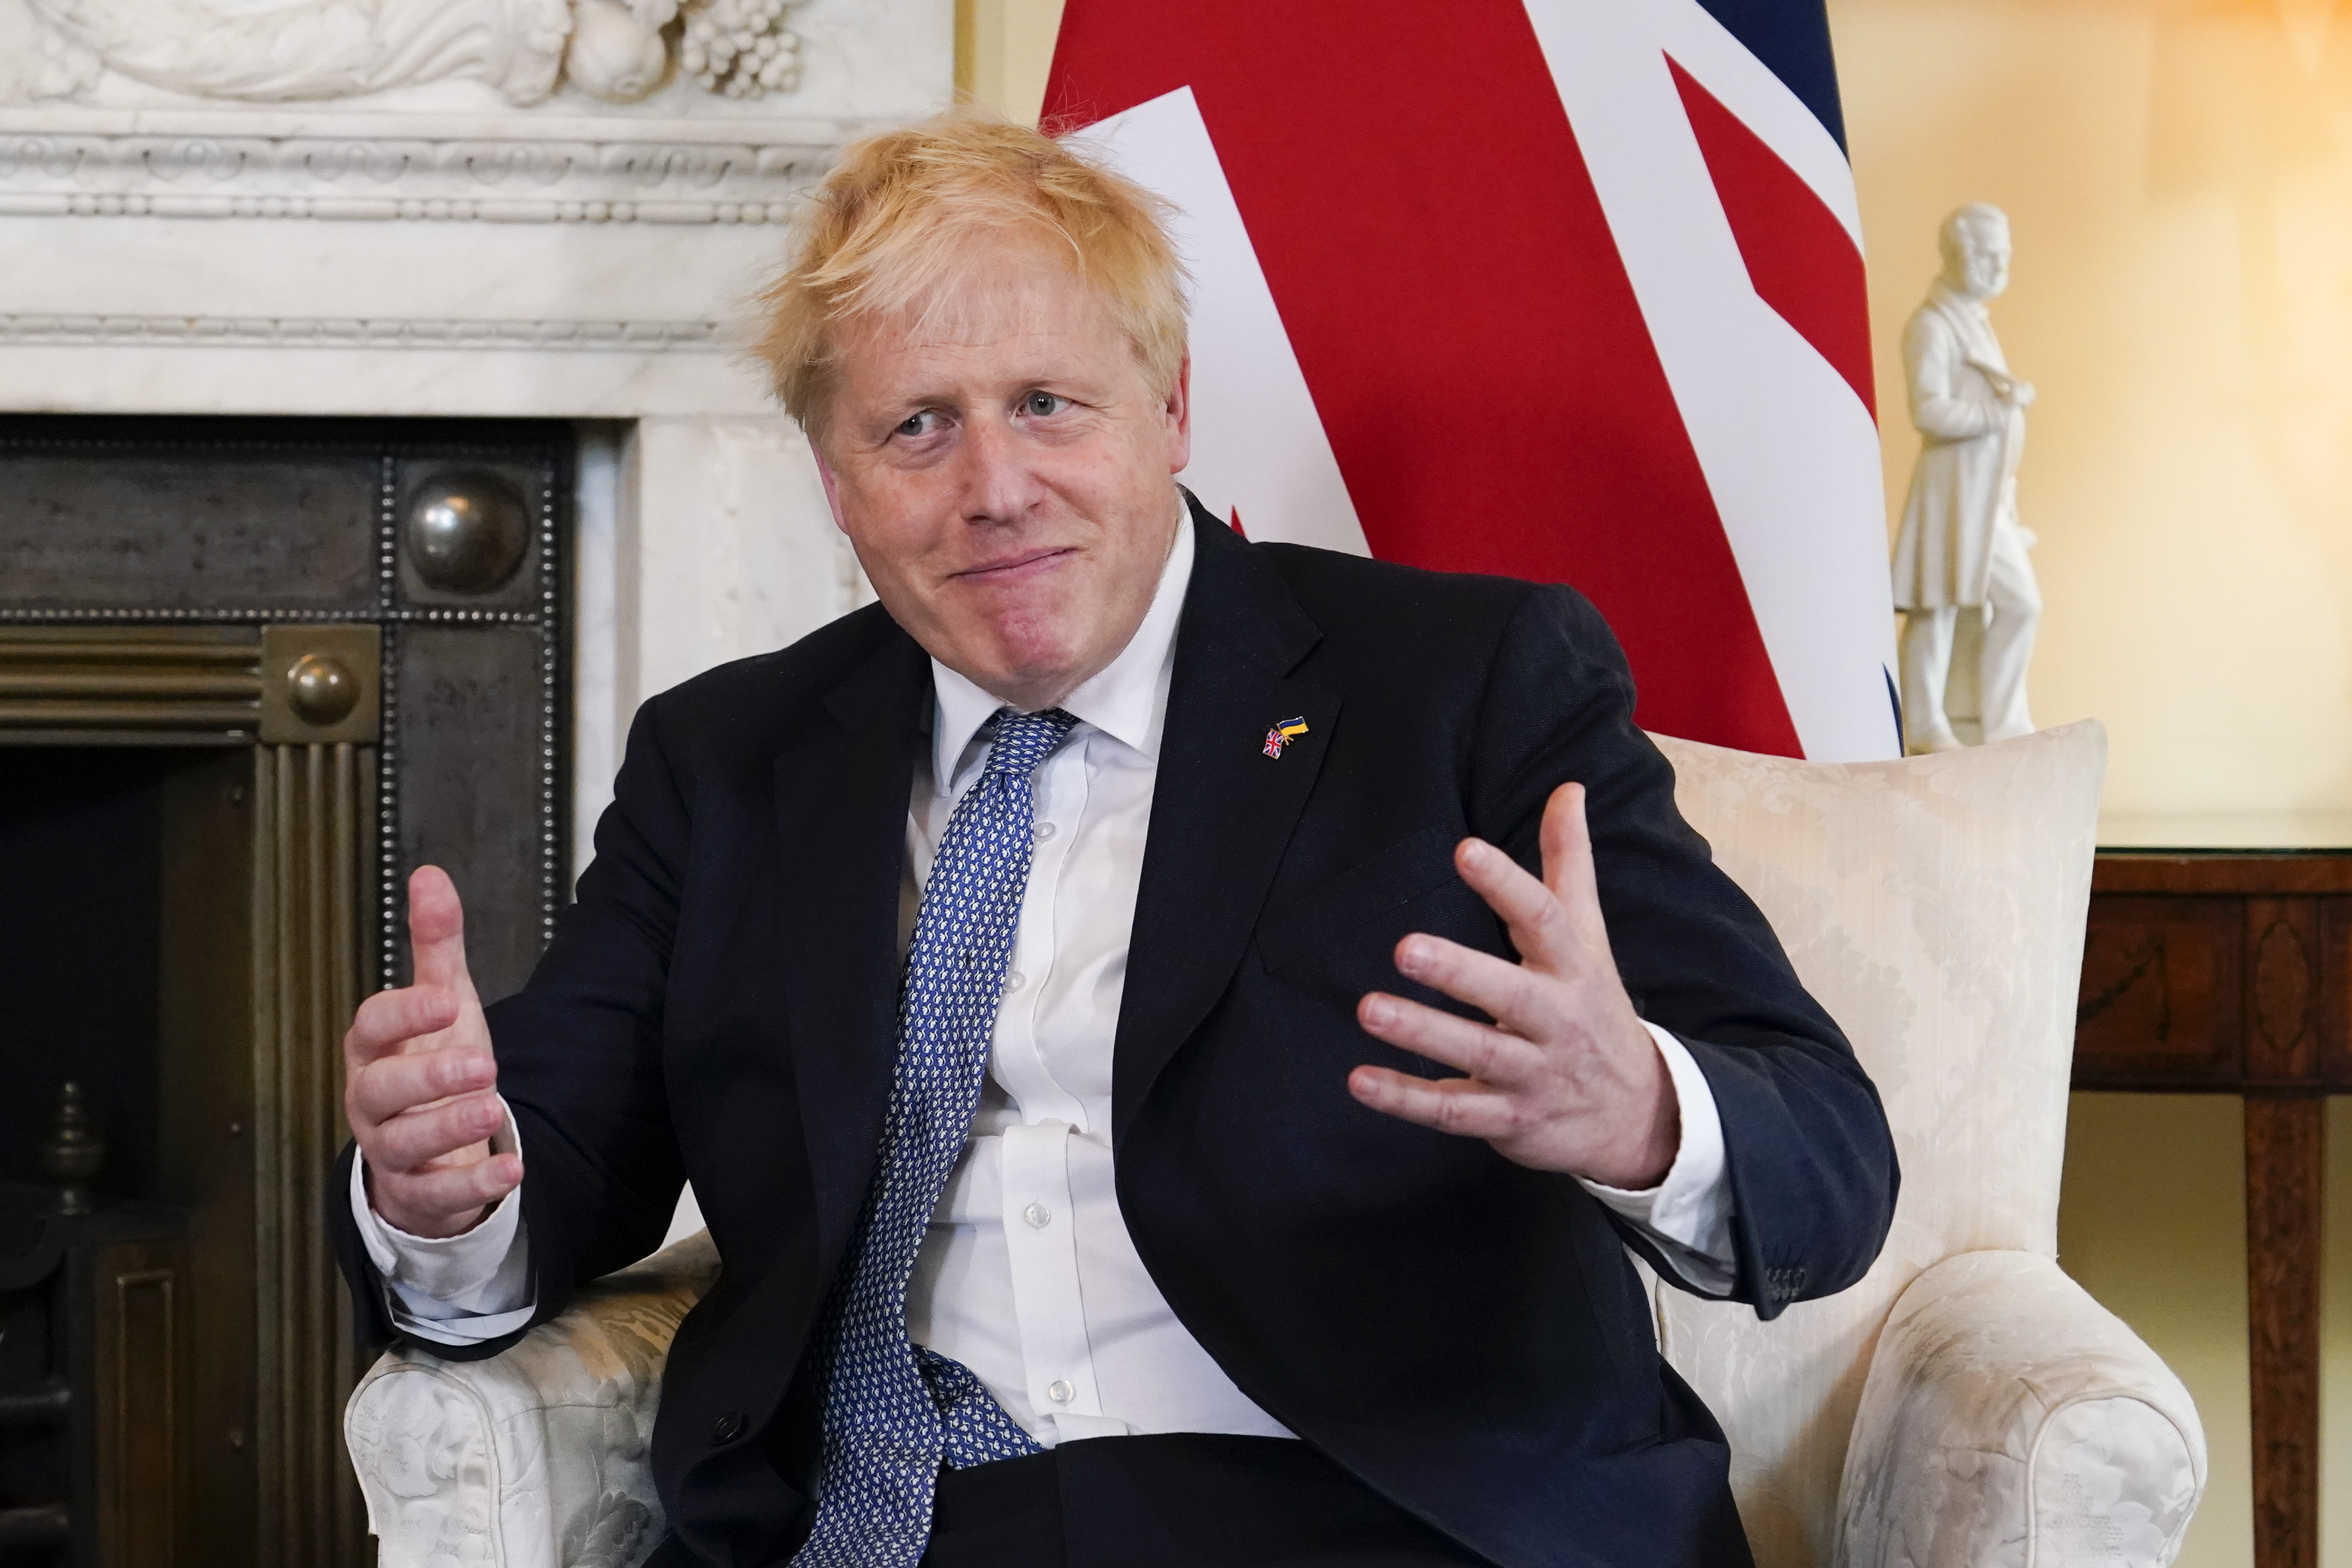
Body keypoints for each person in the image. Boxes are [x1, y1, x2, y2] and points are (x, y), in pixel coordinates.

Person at [331, 111, 1897, 1568]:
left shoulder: (1463, 687)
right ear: (836, 482)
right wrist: (443, 1192)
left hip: (1376, 1509)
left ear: (1170, 407)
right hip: (903, 1523)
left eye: (1046, 406)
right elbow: (561, 1144)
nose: (994, 489)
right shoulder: (726, 758)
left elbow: (1823, 1153)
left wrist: (1638, 1117)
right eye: (917, 428)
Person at [1891, 202, 2043, 754]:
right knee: (1937, 606)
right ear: (1956, 254)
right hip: (1952, 494)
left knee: (2019, 603)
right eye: (1987, 255)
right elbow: (1927, 410)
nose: (1998, 267)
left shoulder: (1974, 322)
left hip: (1986, 500)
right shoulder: (1932, 326)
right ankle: (1926, 724)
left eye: (2004, 255)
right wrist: (1997, 415)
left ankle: (2002, 723)